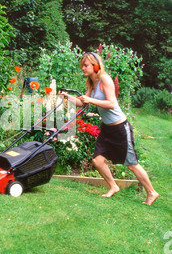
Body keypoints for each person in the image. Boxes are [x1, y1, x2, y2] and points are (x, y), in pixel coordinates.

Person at [59, 52, 159, 205]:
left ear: (96, 66)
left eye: (86, 66)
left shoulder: (105, 79)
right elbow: (83, 103)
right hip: (107, 128)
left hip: (120, 128)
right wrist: (67, 97)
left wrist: (90, 99)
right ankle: (113, 186)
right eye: (82, 66)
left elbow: (111, 103)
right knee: (97, 161)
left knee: (131, 164)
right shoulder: (90, 82)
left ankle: (151, 192)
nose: (83, 68)